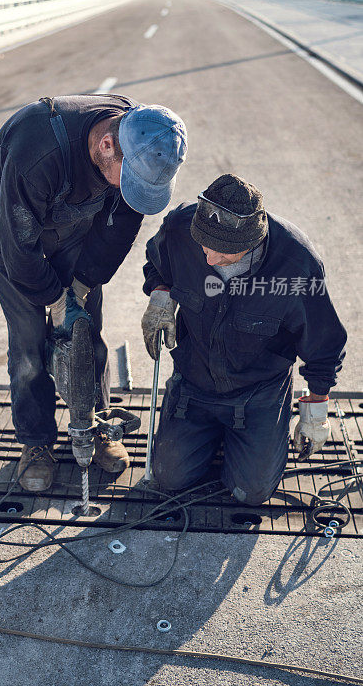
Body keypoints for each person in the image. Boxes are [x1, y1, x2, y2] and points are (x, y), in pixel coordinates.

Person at [0, 94, 187, 492]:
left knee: (85, 329)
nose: (130, 189)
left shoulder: (141, 143)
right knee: (29, 338)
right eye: (127, 182)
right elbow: (20, 251)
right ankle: (36, 443)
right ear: (106, 145)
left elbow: (119, 228)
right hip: (8, 217)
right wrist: (56, 301)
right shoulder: (38, 149)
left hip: (71, 218)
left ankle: (95, 423)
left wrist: (83, 285)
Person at [141, 173, 347, 504]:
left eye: (222, 253)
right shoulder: (181, 227)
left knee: (251, 492)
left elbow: (324, 343)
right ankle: (212, 437)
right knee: (169, 477)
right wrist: (161, 293)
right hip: (195, 381)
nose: (208, 259)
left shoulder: (297, 264)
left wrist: (316, 409)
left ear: (251, 242)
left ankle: (249, 441)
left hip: (258, 392)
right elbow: (158, 262)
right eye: (203, 246)